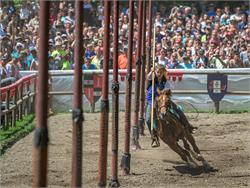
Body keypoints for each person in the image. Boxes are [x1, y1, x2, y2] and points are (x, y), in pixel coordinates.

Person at [145, 64, 197, 147]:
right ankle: (154, 137)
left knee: (178, 109)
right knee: (148, 119)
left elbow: (168, 90)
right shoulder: (152, 79)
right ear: (155, 72)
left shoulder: (165, 80)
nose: (159, 74)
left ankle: (188, 126)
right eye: (158, 72)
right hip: (151, 101)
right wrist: (151, 72)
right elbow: (148, 77)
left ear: (163, 73)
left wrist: (166, 94)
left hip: (162, 100)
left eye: (161, 72)